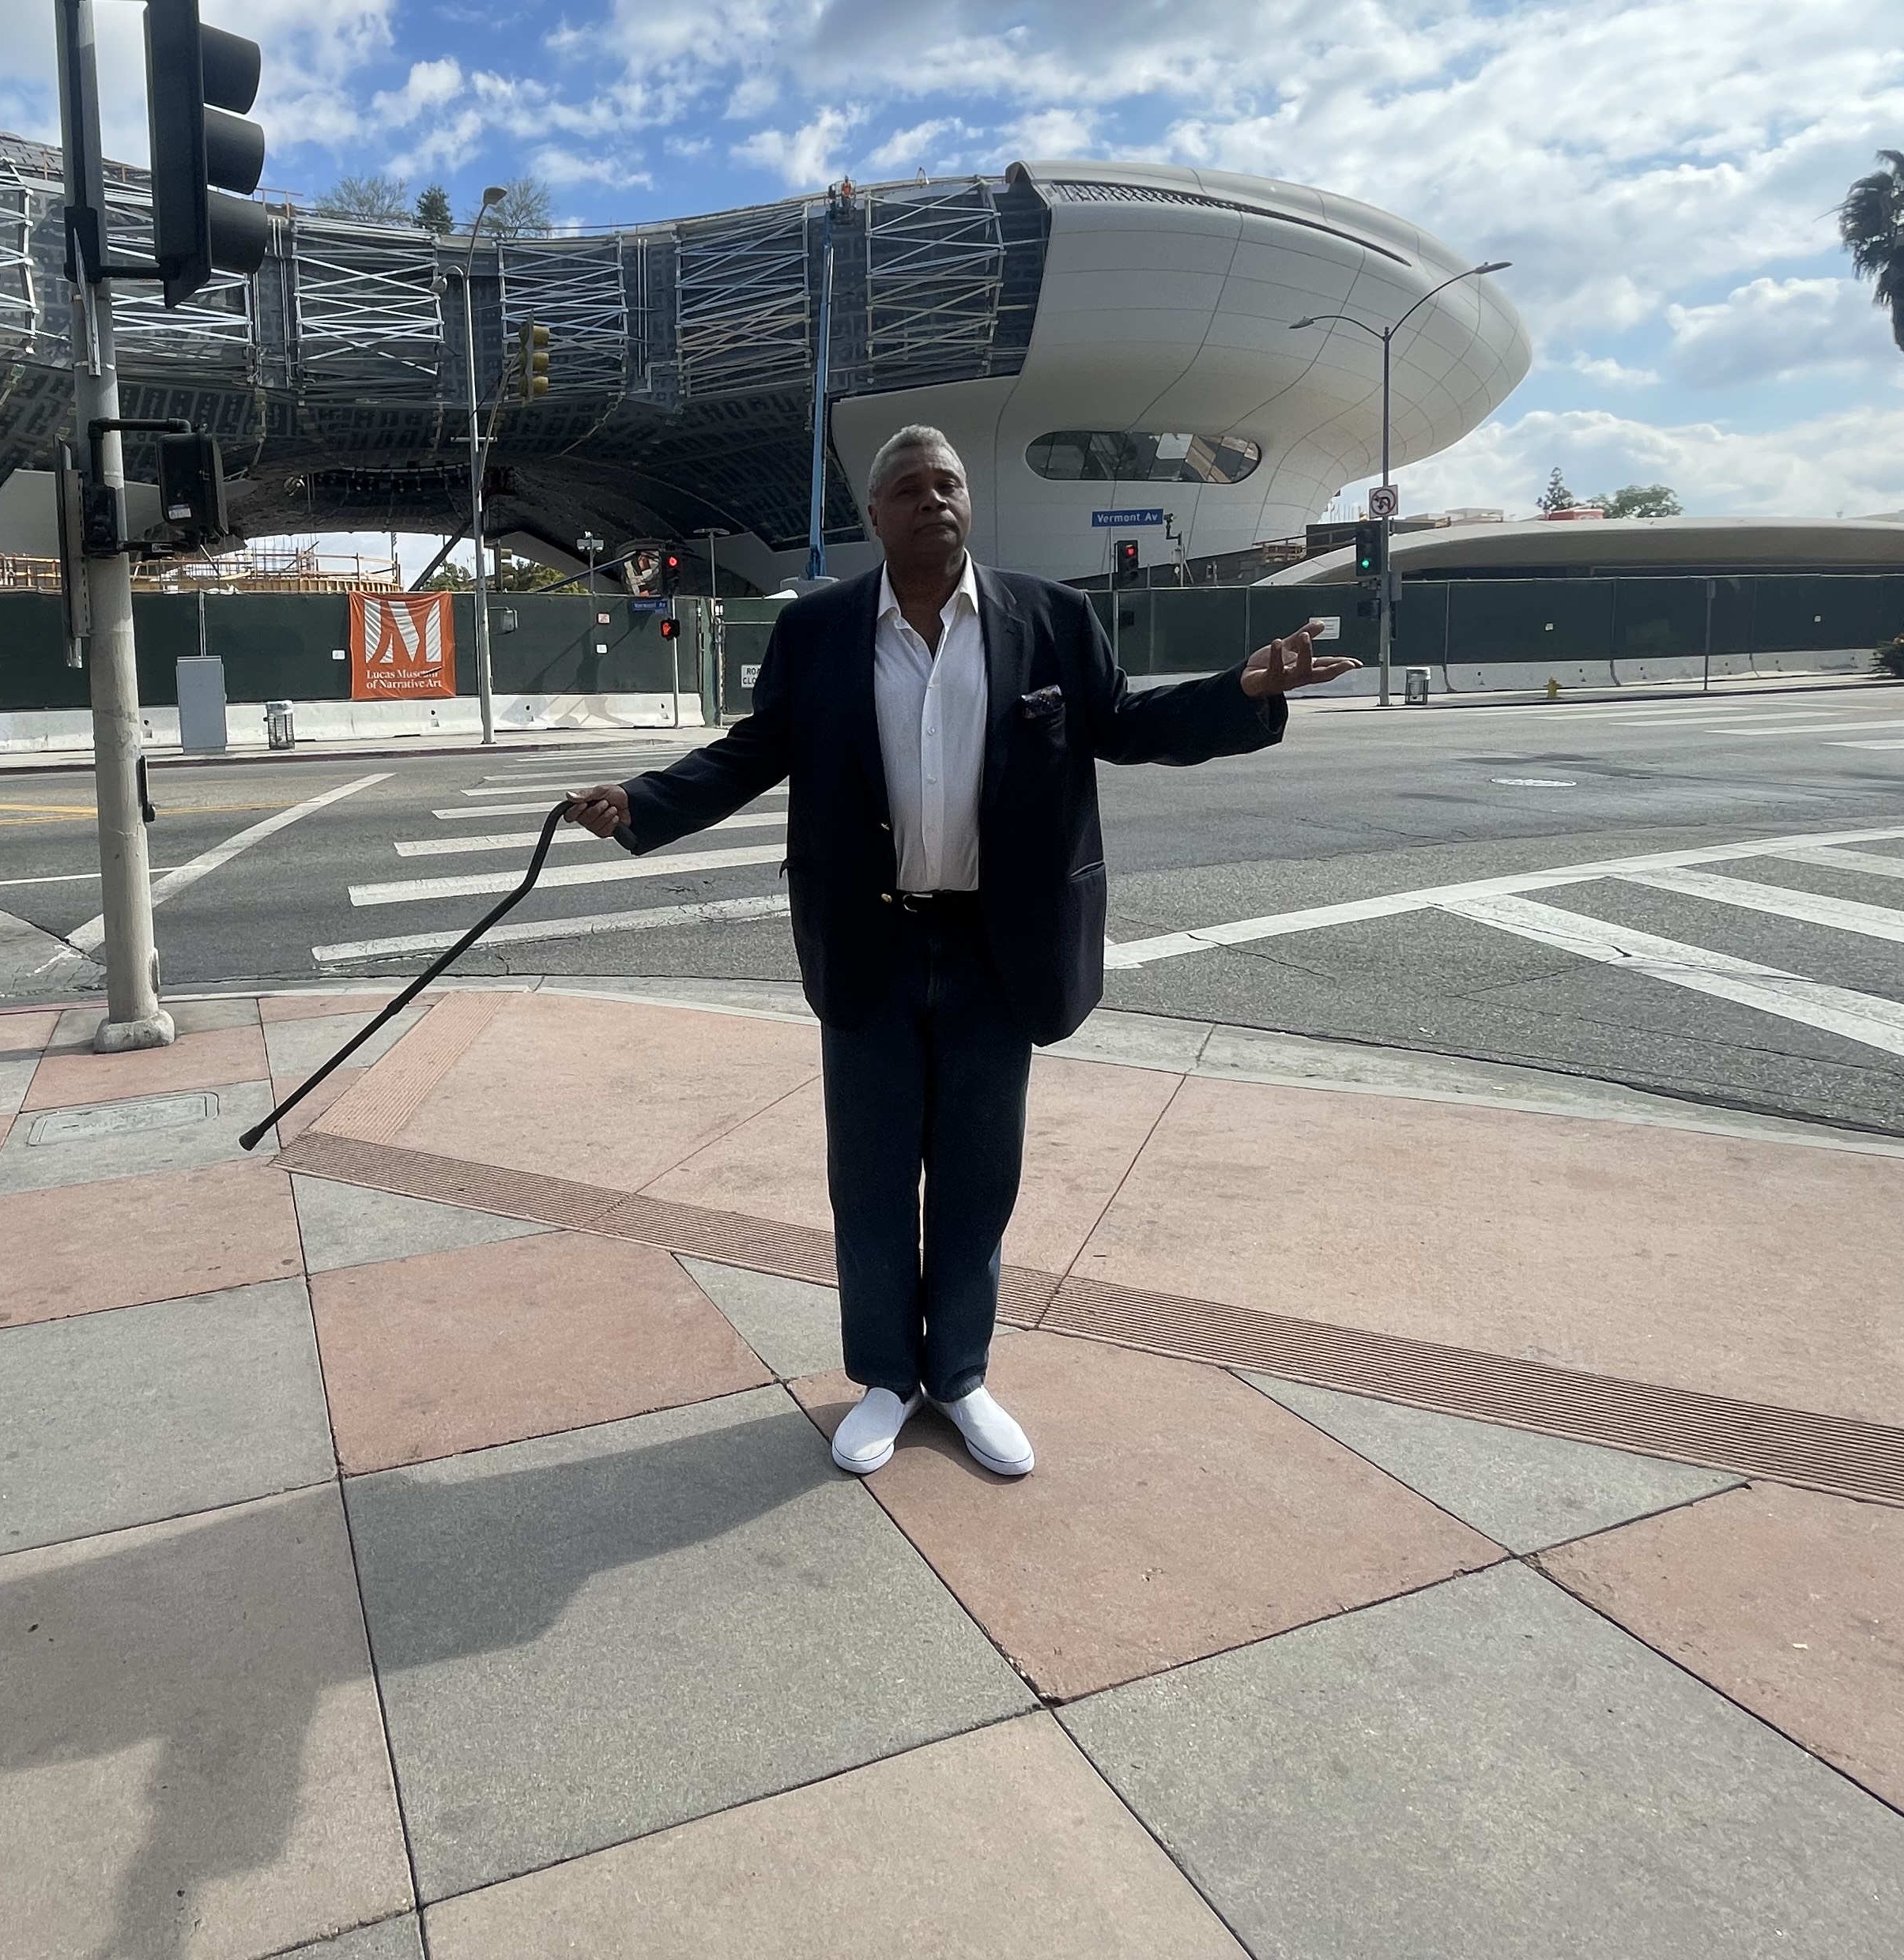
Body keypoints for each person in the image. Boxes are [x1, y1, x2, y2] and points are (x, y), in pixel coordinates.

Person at [565, 426, 1356, 1478]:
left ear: (967, 504)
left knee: (981, 1177)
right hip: (870, 944)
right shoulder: (822, 631)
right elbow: (757, 751)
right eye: (908, 487)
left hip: (1000, 948)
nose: (932, 499)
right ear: (877, 517)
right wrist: (640, 802)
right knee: (875, 1177)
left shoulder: (1051, 620)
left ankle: (965, 1375)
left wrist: (1245, 693)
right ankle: (888, 1378)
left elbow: (1122, 724)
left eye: (948, 484)